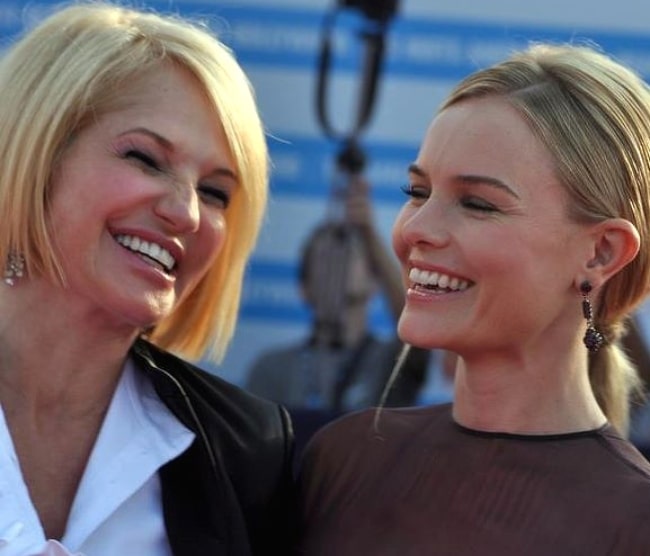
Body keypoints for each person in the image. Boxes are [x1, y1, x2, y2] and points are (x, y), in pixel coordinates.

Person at [297, 43, 650, 555]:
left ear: (599, 252)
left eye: (477, 204)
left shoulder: (633, 521)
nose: (416, 229)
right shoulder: (339, 459)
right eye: (416, 192)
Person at [0, 3, 295, 555]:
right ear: (36, 153)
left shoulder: (246, 453)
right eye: (146, 158)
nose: (186, 213)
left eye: (216, 193)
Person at [245, 176, 431, 452]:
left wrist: (368, 233)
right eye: (323, 258)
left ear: (372, 281)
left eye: (348, 255)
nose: (336, 265)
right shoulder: (271, 369)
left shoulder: (391, 363)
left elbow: (420, 324)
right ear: (304, 288)